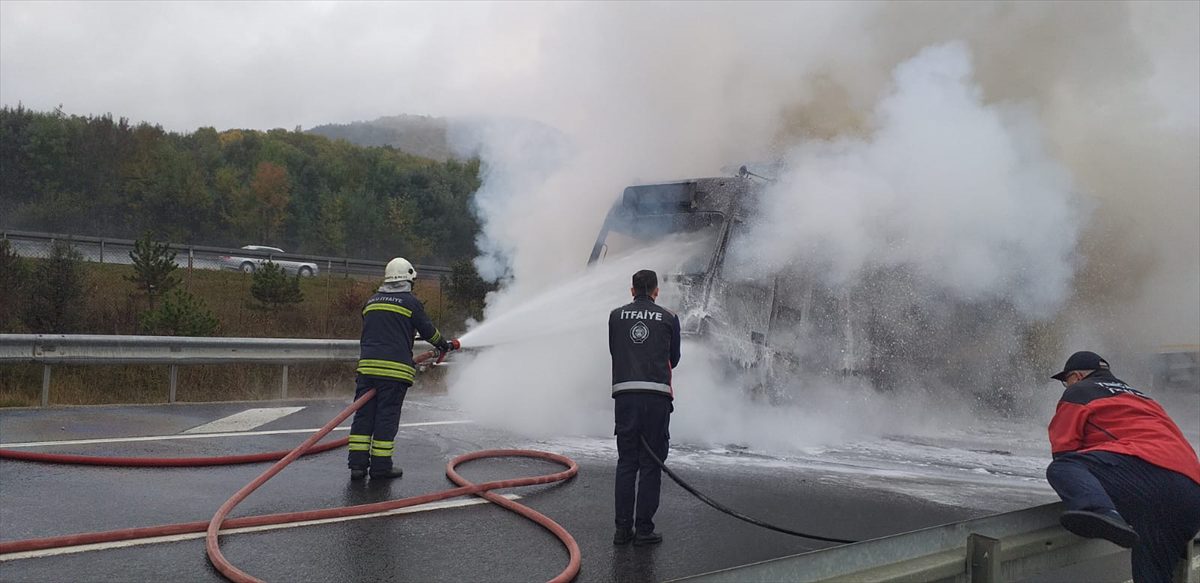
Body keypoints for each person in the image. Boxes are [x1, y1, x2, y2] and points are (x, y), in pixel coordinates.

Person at [1045, 350, 1200, 582]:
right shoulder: (1143, 398)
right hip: (1190, 488)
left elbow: (1064, 449)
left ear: (1076, 376)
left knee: (1063, 468)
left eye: (1065, 382)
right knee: (1152, 577)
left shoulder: (1079, 391)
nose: (1066, 386)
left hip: (1145, 471)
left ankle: (1101, 512)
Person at [348, 257, 455, 480]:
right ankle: (380, 467)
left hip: (367, 368)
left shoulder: (371, 302)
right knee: (386, 418)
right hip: (394, 372)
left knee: (364, 415)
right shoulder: (410, 303)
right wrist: (443, 344)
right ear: (408, 279)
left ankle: (357, 467)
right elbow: (428, 331)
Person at [608, 269, 682, 546]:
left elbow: (615, 350)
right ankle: (644, 530)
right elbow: (673, 360)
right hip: (657, 399)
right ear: (656, 291)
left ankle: (622, 530)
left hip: (625, 397)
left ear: (631, 290)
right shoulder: (670, 318)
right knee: (651, 464)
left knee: (627, 462)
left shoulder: (615, 316)